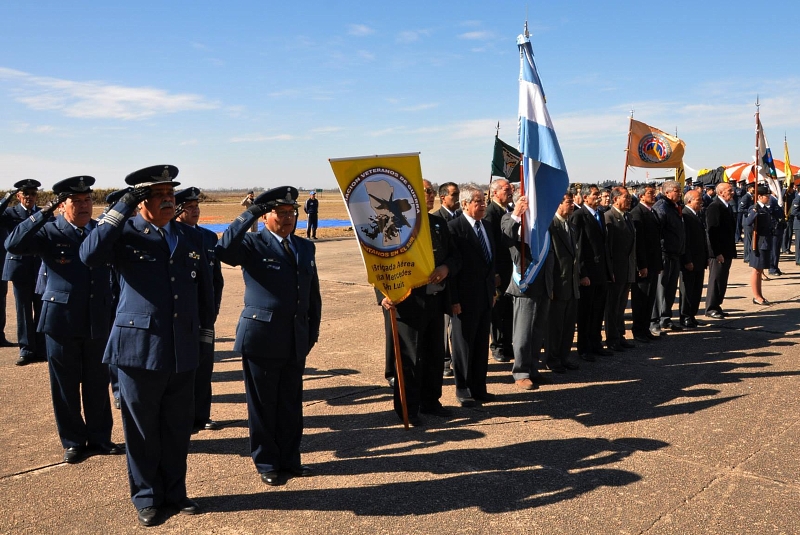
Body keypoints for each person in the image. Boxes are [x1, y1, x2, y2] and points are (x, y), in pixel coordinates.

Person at [80, 165, 215, 527]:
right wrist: (121, 207)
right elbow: (88, 255)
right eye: (158, 195)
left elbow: (205, 292)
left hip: (182, 348)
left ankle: (175, 492)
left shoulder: (188, 237)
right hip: (138, 349)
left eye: (171, 193)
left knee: (177, 427)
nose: (169, 200)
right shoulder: (124, 233)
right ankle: (146, 497)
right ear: (141, 201)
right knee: (141, 431)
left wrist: (203, 339)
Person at [6, 176, 122, 463]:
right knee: (65, 385)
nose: (84, 206)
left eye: (87, 200)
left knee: (97, 382)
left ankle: (100, 437)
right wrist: (43, 213)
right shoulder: (49, 231)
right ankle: (72, 441)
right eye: (76, 201)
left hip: (97, 317)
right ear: (61, 205)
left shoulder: (99, 231)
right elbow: (14, 244)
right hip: (61, 320)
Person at [215, 186, 321, 487]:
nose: (287, 218)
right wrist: (250, 213)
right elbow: (224, 250)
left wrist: (311, 332)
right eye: (280, 213)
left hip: (295, 337)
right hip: (262, 337)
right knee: (263, 405)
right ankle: (267, 462)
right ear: (265, 217)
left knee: (290, 403)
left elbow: (312, 294)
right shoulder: (252, 243)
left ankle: (290, 458)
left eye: (291, 213)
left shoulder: (304, 247)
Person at [379, 179, 460, 425]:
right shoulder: (395, 224)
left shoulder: (438, 224)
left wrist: (446, 268)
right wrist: (382, 295)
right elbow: (380, 263)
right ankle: (408, 409)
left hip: (435, 300)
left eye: (433, 191)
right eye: (426, 191)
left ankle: (431, 401)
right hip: (408, 303)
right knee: (410, 359)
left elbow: (455, 256)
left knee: (434, 356)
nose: (431, 195)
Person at [174, 187, 225, 433]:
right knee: (182, 370)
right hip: (181, 315)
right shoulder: (173, 236)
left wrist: (212, 310)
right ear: (178, 210)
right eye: (190, 207)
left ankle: (202, 415)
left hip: (204, 316)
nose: (195, 211)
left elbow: (216, 279)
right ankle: (182, 416)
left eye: (197, 207)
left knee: (204, 366)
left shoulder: (209, 237)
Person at [448, 185, 496, 406]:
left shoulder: (487, 226)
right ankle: (463, 388)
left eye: (484, 200)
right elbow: (452, 268)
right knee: (463, 346)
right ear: (465, 204)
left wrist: (492, 291)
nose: (483, 205)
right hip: (464, 299)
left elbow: (490, 262)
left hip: (485, 296)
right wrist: (454, 299)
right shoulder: (454, 229)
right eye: (478, 201)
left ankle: (479, 387)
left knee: (480, 345)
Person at [501, 194, 553, 389]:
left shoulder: (542, 221)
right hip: (526, 283)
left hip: (543, 283)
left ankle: (532, 368)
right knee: (523, 333)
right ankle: (521, 372)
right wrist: (517, 213)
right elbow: (507, 237)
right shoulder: (509, 217)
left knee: (537, 331)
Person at [0, 179, 46, 364]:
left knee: (41, 308)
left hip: (39, 267)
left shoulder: (43, 213)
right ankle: (26, 349)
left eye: (33, 194)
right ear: (19, 196)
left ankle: (41, 348)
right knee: (23, 310)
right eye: (26, 194)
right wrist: (6, 198)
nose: (30, 197)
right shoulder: (10, 213)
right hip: (20, 268)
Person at [570, 184, 612, 361]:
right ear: (585, 197)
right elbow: (578, 247)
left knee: (598, 310)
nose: (598, 197)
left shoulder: (600, 214)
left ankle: (596, 343)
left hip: (601, 271)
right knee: (586, 313)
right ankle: (584, 347)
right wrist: (582, 273)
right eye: (595, 194)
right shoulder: (579, 216)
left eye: (599, 194)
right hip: (588, 272)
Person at [546, 192, 580, 372]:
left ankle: (564, 357)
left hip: (572, 284)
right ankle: (552, 359)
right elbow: (549, 259)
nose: (572, 205)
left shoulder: (571, 226)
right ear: (558, 204)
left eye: (573, 202)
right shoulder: (551, 226)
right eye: (568, 202)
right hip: (558, 284)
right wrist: (550, 285)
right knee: (555, 326)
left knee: (568, 326)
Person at [483, 179, 514, 363]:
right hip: (498, 272)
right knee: (497, 311)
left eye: (511, 189)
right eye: (506, 189)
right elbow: (490, 245)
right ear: (495, 192)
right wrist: (494, 273)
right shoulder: (490, 212)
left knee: (509, 309)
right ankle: (497, 346)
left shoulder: (509, 210)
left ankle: (508, 344)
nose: (510, 192)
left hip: (511, 270)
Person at [603, 186, 636, 351]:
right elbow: (608, 249)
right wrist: (610, 271)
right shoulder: (608, 217)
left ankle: (620, 334)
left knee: (621, 305)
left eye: (629, 197)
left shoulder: (628, 216)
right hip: (616, 270)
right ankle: (612, 338)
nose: (629, 200)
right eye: (626, 197)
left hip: (627, 269)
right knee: (612, 306)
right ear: (615, 199)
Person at [629, 184, 663, 342]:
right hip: (644, 265)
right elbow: (639, 243)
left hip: (653, 263)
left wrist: (658, 264)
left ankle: (645, 328)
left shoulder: (652, 211)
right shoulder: (637, 213)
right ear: (641, 196)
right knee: (641, 299)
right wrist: (641, 265)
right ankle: (638, 330)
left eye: (654, 193)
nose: (653, 195)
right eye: (650, 193)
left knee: (650, 299)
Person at [651, 180, 685, 334]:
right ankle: (654, 321)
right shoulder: (661, 208)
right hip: (665, 254)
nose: (679, 193)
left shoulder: (674, 206)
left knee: (671, 289)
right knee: (661, 289)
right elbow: (657, 234)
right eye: (676, 191)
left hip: (675, 253)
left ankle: (666, 317)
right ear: (667, 192)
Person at [436, 181, 460, 378]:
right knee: (444, 324)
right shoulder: (437, 220)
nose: (457, 198)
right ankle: (444, 361)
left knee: (457, 325)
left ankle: (458, 359)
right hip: (444, 279)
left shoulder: (461, 217)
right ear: (443, 197)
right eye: (454, 194)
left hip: (459, 276)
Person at [705, 181, 737, 319]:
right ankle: (711, 307)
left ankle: (717, 305)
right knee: (716, 279)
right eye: (729, 190)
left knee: (722, 280)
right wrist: (717, 253)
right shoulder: (714, 207)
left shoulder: (727, 206)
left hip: (727, 250)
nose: (732, 192)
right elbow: (712, 232)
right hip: (719, 252)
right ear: (720, 192)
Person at [679, 190, 709, 328]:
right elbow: (685, 241)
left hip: (699, 259)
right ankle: (685, 316)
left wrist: (706, 257)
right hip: (690, 260)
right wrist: (687, 260)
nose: (701, 202)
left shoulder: (697, 214)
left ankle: (692, 315)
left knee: (697, 290)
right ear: (689, 201)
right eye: (698, 200)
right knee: (687, 290)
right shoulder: (685, 215)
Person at [746, 184, 773, 305]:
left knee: (760, 270)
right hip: (758, 243)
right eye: (766, 196)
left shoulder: (765, 208)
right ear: (760, 197)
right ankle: (756, 296)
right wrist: (754, 212)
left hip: (765, 242)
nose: (769, 197)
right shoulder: (754, 208)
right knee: (756, 270)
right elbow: (747, 222)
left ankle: (760, 295)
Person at [740, 182, 755, 261]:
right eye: (753, 188)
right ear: (749, 189)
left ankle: (750, 255)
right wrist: (750, 212)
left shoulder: (752, 196)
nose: (754, 189)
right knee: (748, 240)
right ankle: (747, 257)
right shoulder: (746, 197)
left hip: (751, 221)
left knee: (751, 239)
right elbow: (741, 209)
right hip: (747, 220)